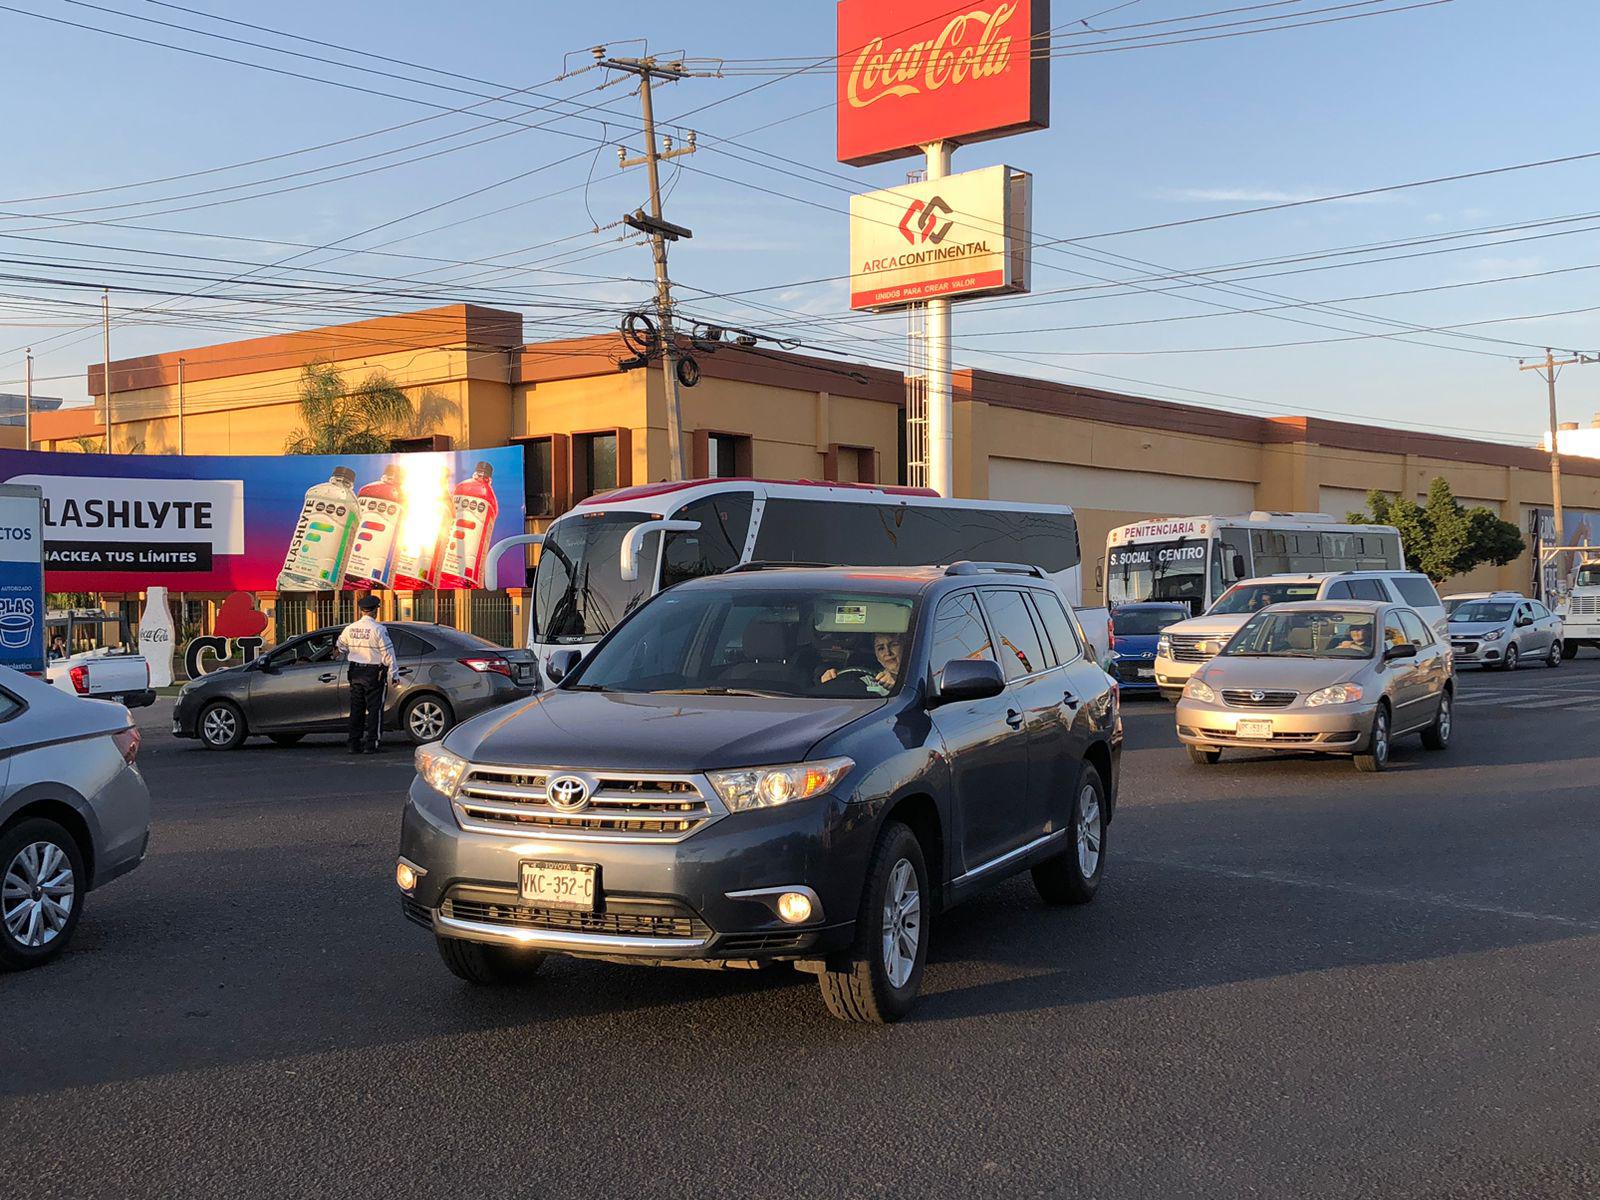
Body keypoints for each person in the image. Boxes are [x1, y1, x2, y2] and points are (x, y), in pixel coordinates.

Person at [337, 595, 396, 754]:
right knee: (374, 710)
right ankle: (371, 744)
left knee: (356, 709)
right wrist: (394, 673)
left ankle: (353, 743)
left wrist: (354, 650)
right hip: (373, 673)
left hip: (355, 671)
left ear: (361, 610)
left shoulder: (350, 628)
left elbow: (341, 646)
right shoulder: (378, 629)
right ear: (375, 610)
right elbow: (388, 653)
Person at [820, 632, 905, 696]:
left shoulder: (916, 677)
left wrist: (899, 685)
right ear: (877, 656)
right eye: (881, 648)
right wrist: (831, 682)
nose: (887, 652)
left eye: (894, 645)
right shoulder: (871, 679)